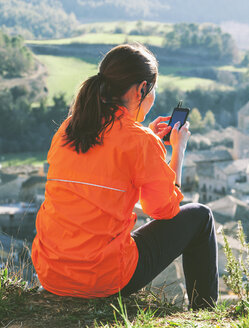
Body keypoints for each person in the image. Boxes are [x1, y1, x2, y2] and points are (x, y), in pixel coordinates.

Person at [31, 43, 218, 309]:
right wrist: (178, 151)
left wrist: (149, 140)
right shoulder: (139, 142)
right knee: (201, 217)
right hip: (103, 279)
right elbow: (163, 210)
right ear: (141, 89)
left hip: (51, 274)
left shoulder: (69, 128)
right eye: (152, 90)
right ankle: (205, 313)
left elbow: (110, 153)